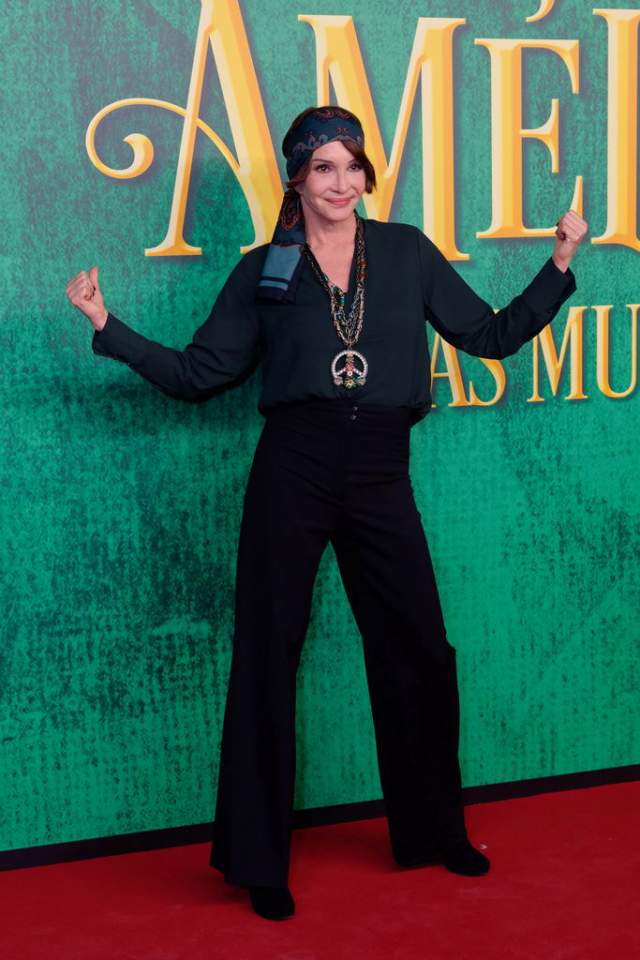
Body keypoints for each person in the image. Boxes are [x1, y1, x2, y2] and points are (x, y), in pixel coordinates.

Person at [66, 105, 587, 922]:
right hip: (294, 467)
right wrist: (108, 325)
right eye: (323, 168)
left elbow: (488, 335)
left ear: (365, 177)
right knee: (267, 654)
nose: (341, 183)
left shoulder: (406, 252)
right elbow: (201, 374)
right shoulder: (265, 271)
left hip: (381, 468)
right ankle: (259, 863)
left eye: (352, 167)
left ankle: (434, 831)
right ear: (298, 180)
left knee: (419, 648)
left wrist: (558, 265)